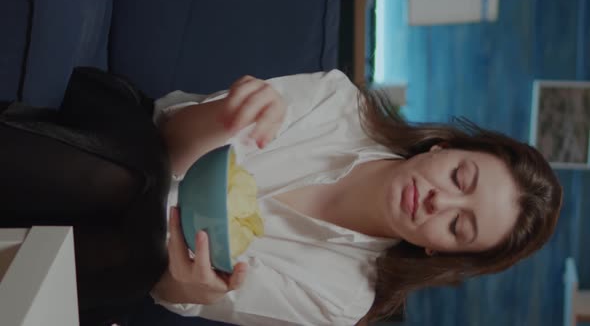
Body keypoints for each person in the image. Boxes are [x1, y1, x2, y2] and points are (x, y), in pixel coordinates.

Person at [0, 68, 562, 325]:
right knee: (130, 177)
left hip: (127, 253)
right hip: (120, 139)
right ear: (440, 146)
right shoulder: (341, 106)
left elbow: (172, 287)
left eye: (458, 228)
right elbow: (167, 140)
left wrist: (185, 285)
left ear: (439, 254)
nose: (441, 203)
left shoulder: (343, 301)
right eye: (461, 178)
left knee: (143, 247)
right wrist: (224, 117)